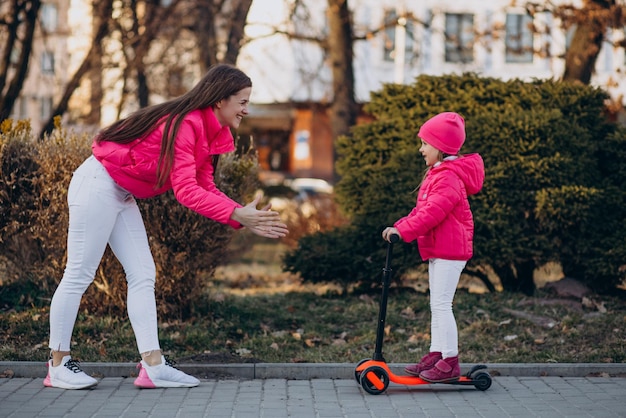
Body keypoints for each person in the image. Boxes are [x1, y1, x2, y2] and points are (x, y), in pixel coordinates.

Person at [44, 64, 289, 390]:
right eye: (242, 101)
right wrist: (236, 213)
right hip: (97, 184)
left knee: (143, 273)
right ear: (220, 100)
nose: (246, 109)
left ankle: (153, 366)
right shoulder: (186, 125)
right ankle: (57, 364)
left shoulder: (207, 130)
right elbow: (186, 193)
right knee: (79, 273)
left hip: (120, 192)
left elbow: (203, 185)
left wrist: (239, 214)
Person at [382, 112, 484, 383]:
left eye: (425, 143)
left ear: (440, 148)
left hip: (451, 250)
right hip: (441, 249)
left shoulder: (448, 178)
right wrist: (399, 226)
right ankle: (437, 353)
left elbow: (432, 214)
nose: (421, 148)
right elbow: (421, 210)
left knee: (441, 305)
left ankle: (449, 361)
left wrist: (403, 232)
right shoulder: (438, 174)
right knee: (436, 304)